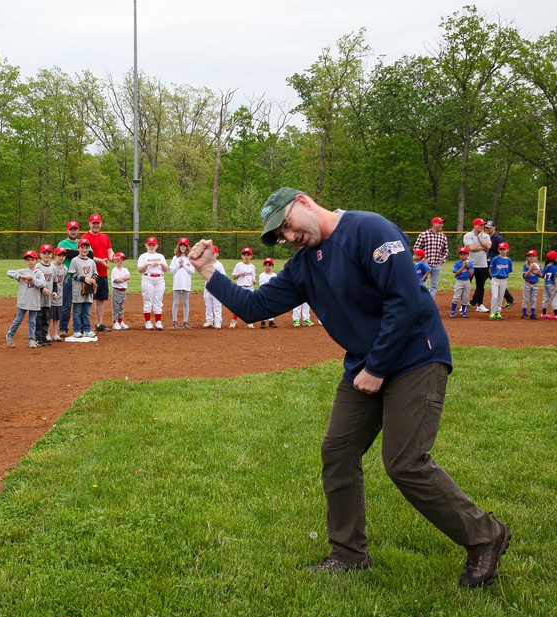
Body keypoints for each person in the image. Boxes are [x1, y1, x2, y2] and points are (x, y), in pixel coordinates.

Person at [188, 187, 510, 588]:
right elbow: (255, 308)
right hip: (364, 365)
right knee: (337, 451)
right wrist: (208, 271)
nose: (289, 237)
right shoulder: (305, 264)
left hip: (414, 357)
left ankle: (485, 536)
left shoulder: (368, 229)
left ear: (304, 202)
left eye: (287, 225)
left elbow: (405, 299)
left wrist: (376, 366)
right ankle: (348, 554)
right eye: (281, 235)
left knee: (405, 461)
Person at [5, 250, 48, 348]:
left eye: (32, 259)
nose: (30, 262)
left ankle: (31, 339)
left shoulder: (38, 272)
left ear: (36, 260)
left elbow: (43, 283)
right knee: (18, 320)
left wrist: (33, 279)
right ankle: (10, 335)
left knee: (32, 321)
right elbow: (9, 273)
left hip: (34, 301)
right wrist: (21, 276)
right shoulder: (22, 271)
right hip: (23, 301)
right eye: (28, 260)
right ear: (25, 261)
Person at [85, 213, 115, 332]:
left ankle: (99, 324)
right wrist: (100, 261)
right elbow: (84, 255)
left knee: (101, 300)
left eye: (98, 223)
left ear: (101, 224)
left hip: (103, 273)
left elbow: (110, 253)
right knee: (88, 299)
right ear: (90, 224)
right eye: (94, 223)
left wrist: (114, 258)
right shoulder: (85, 238)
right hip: (90, 274)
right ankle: (85, 325)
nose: (96, 225)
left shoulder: (105, 237)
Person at [68, 238, 98, 338]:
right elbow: (72, 274)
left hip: (88, 291)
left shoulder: (91, 262)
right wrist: (84, 278)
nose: (84, 250)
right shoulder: (74, 260)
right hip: (78, 290)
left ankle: (87, 330)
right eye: (82, 247)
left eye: (86, 247)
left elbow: (95, 273)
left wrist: (93, 279)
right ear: (78, 248)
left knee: (87, 312)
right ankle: (77, 330)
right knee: (77, 311)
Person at [413, 217, 449, 297]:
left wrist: (443, 260)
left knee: (434, 286)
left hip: (437, 264)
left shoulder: (443, 236)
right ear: (434, 223)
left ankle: (430, 304)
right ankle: (422, 302)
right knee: (422, 284)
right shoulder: (424, 235)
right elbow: (416, 249)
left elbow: (446, 250)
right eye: (440, 223)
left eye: (442, 223)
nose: (441, 225)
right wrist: (422, 259)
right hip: (424, 264)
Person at [138, 236, 168, 330]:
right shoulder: (143, 256)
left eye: (153, 245)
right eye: (150, 245)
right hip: (148, 278)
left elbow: (166, 269)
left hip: (159, 279)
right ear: (146, 245)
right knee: (148, 300)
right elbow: (140, 270)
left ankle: (158, 322)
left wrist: (161, 263)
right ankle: (148, 322)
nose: (151, 246)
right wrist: (147, 264)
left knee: (158, 300)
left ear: (157, 246)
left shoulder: (160, 256)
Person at [57, 221, 81, 336]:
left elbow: (90, 255)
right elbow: (67, 254)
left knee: (80, 304)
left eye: (75, 229)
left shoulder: (82, 242)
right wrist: (81, 252)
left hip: (81, 279)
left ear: (78, 231)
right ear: (67, 231)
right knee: (66, 305)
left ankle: (79, 328)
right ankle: (63, 328)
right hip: (67, 278)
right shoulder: (62, 243)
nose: (73, 231)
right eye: (71, 229)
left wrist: (73, 253)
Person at [462, 218, 492, 313]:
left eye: (483, 225)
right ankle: (463, 305)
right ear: (474, 225)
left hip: (482, 265)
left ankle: (480, 304)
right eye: (480, 225)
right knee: (466, 285)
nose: (482, 226)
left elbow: (488, 246)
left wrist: (480, 238)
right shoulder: (468, 235)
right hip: (470, 264)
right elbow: (471, 248)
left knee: (480, 286)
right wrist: (482, 248)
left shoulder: (486, 236)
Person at [485, 221, 515, 309]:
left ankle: (509, 300)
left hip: (495, 263)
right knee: (484, 281)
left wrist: (495, 260)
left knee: (495, 280)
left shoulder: (498, 238)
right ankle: (476, 301)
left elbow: (502, 251)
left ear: (494, 227)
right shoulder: (486, 236)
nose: (487, 229)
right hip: (488, 261)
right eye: (486, 227)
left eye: (489, 227)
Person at [170, 238, 196, 330]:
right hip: (177, 283)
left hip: (186, 283)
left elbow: (192, 271)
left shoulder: (190, 258)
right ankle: (174, 321)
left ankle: (185, 321)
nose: (183, 247)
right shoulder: (175, 258)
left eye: (184, 245)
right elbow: (172, 271)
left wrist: (184, 265)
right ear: (179, 246)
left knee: (185, 303)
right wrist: (179, 264)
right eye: (181, 245)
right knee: (176, 302)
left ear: (187, 247)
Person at [35, 245, 58, 346]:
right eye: (44, 253)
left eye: (49, 253)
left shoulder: (53, 268)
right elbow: (34, 282)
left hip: (47, 299)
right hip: (38, 298)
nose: (46, 255)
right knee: (38, 318)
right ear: (40, 254)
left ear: (52, 255)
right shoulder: (37, 267)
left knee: (46, 318)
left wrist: (55, 292)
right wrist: (41, 288)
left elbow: (54, 282)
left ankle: (44, 337)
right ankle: (38, 338)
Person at [229, 247, 256, 329]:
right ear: (241, 256)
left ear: (251, 256)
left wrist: (254, 280)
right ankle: (233, 321)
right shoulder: (239, 265)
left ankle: (250, 321)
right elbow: (234, 277)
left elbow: (253, 278)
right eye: (244, 255)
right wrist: (240, 274)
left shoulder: (252, 266)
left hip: (250, 288)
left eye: (248, 255)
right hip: (240, 287)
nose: (246, 257)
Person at [487, 242, 512, 320]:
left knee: (500, 297)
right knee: (495, 296)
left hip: (503, 280)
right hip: (495, 279)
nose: (502, 251)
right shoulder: (496, 259)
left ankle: (498, 312)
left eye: (504, 249)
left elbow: (508, 270)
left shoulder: (509, 260)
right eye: (500, 249)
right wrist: (493, 277)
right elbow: (490, 269)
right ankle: (492, 313)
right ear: (498, 250)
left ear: (507, 250)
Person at [202, 245, 225, 329]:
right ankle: (209, 320)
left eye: (213, 253)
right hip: (208, 287)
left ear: (217, 254)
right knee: (208, 305)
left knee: (217, 305)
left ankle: (218, 321)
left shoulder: (219, 265)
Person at [450, 247, 474, 318]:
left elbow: (471, 274)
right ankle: (453, 311)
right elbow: (456, 273)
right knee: (456, 297)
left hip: (467, 281)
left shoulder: (470, 264)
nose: (463, 256)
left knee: (465, 298)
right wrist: (463, 267)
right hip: (459, 281)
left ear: (467, 255)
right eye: (461, 254)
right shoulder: (457, 263)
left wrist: (468, 267)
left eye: (464, 254)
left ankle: (463, 311)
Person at [110, 252, 131, 330]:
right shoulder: (114, 270)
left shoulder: (125, 269)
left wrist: (121, 278)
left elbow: (128, 277)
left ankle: (120, 321)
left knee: (121, 307)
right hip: (117, 290)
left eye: (122, 260)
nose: (121, 261)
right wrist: (123, 278)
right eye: (119, 260)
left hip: (124, 290)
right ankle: (115, 322)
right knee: (116, 307)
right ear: (116, 260)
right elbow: (117, 280)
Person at [49, 249, 67, 342]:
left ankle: (55, 334)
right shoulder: (51, 266)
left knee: (57, 316)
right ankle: (47, 334)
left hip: (59, 295)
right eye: (59, 255)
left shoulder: (65, 268)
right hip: (49, 295)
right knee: (48, 316)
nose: (61, 257)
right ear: (55, 256)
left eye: (63, 255)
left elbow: (64, 281)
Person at [540, 251, 557, 320]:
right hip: (552, 284)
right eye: (556, 258)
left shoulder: (546, 266)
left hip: (546, 284)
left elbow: (542, 275)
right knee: (554, 299)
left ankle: (544, 313)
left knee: (545, 298)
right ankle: (556, 314)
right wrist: (556, 286)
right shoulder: (555, 267)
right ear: (554, 259)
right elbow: (556, 277)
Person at [521, 250, 541, 320]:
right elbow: (524, 276)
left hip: (535, 284)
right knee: (526, 299)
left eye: (533, 256)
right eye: (530, 256)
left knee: (533, 299)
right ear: (527, 258)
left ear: (536, 257)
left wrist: (538, 272)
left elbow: (541, 276)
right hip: (527, 283)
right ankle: (524, 313)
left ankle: (533, 313)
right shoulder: (525, 266)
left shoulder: (538, 266)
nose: (531, 258)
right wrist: (530, 269)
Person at [258, 258, 278, 328]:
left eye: (269, 265)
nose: (268, 267)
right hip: (264, 294)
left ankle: (271, 321)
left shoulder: (274, 275)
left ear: (272, 266)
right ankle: (262, 321)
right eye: (266, 265)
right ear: (264, 266)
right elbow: (262, 286)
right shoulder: (262, 275)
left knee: (271, 307)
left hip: (272, 294)